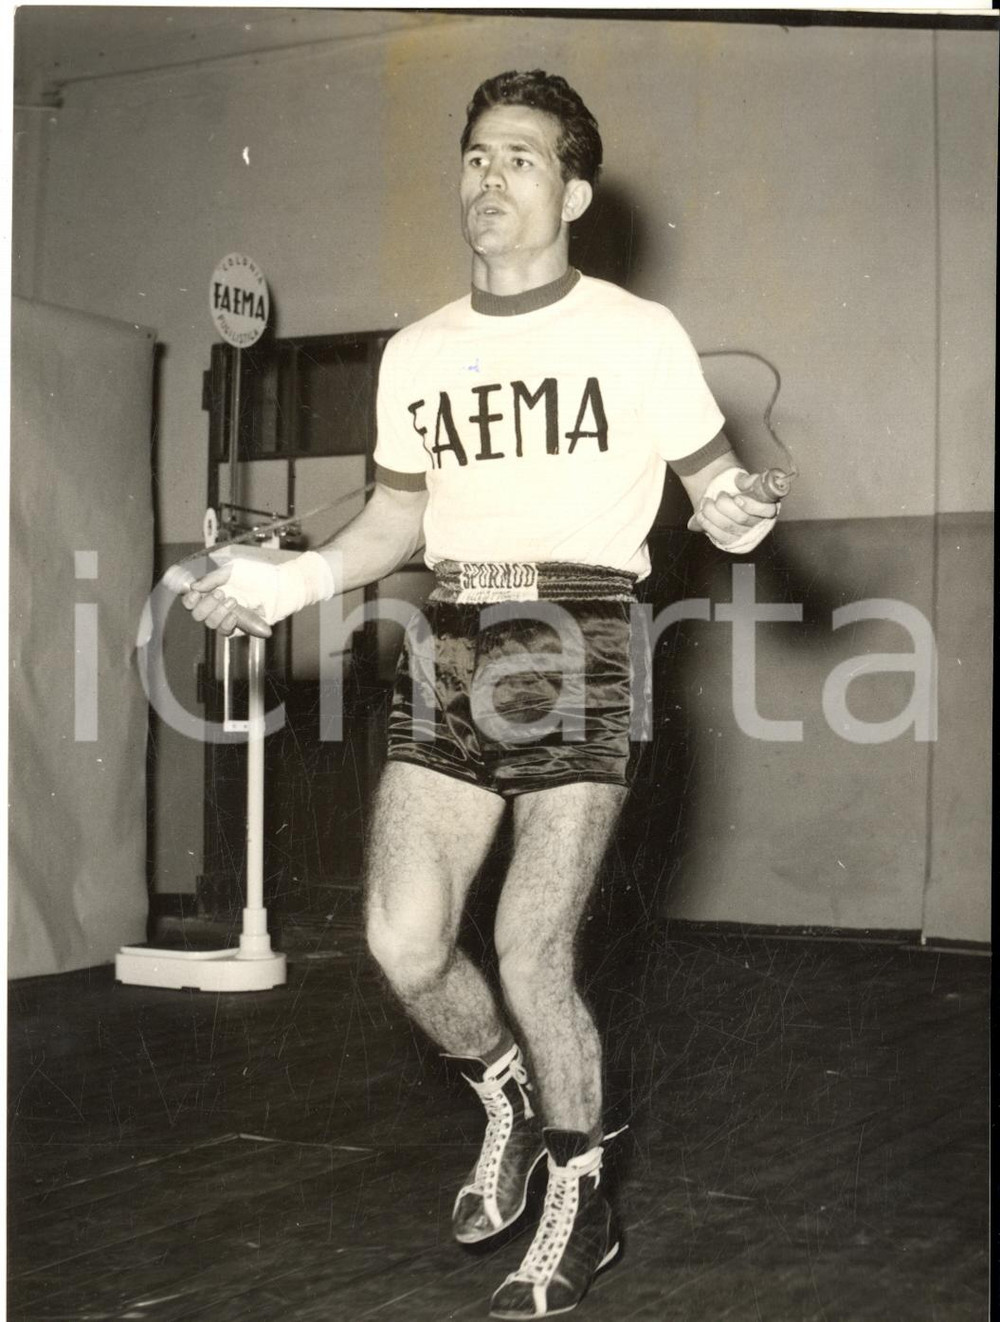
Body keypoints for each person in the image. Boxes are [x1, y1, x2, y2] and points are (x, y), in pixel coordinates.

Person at [178, 70, 779, 1320]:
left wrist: (731, 511)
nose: (487, 177)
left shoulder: (633, 334)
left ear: (570, 189)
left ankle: (582, 1198)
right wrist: (287, 582)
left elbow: (719, 493)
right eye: (473, 156)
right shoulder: (419, 352)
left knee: (530, 949)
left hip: (581, 641)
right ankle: (503, 1090)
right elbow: (397, 516)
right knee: (402, 937)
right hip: (450, 644)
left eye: (518, 157)